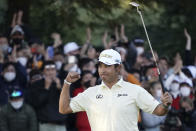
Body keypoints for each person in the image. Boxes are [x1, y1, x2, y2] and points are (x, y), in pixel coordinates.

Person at [59, 49, 173, 131]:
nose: (102, 70)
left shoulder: (135, 90)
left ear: (118, 68)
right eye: (100, 66)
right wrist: (67, 83)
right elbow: (64, 109)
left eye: (107, 66)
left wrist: (165, 105)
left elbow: (159, 111)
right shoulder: (90, 93)